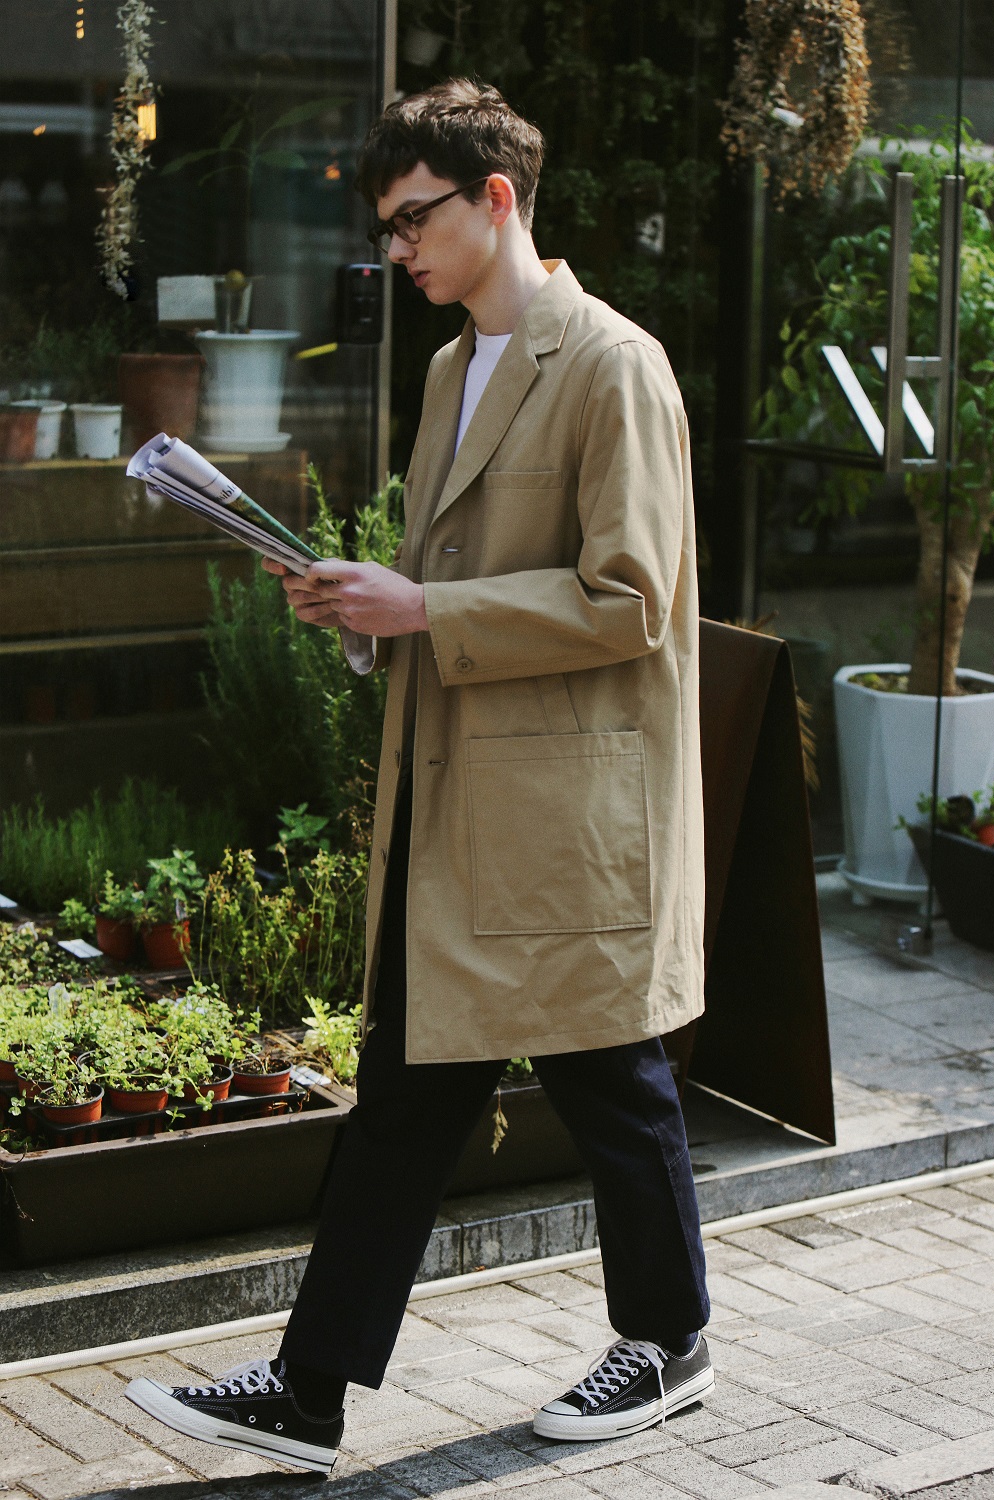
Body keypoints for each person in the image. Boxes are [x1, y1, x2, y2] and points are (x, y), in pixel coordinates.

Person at [126, 78, 712, 1475]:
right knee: (405, 1088)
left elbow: (634, 600)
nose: (395, 250)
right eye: (387, 227)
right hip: (452, 798)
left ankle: (671, 1340)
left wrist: (426, 609)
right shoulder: (453, 370)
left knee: (611, 1075)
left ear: (496, 199)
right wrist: (360, 607)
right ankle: (311, 1389)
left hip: (562, 810)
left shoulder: (614, 366)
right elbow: (438, 589)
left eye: (412, 220)